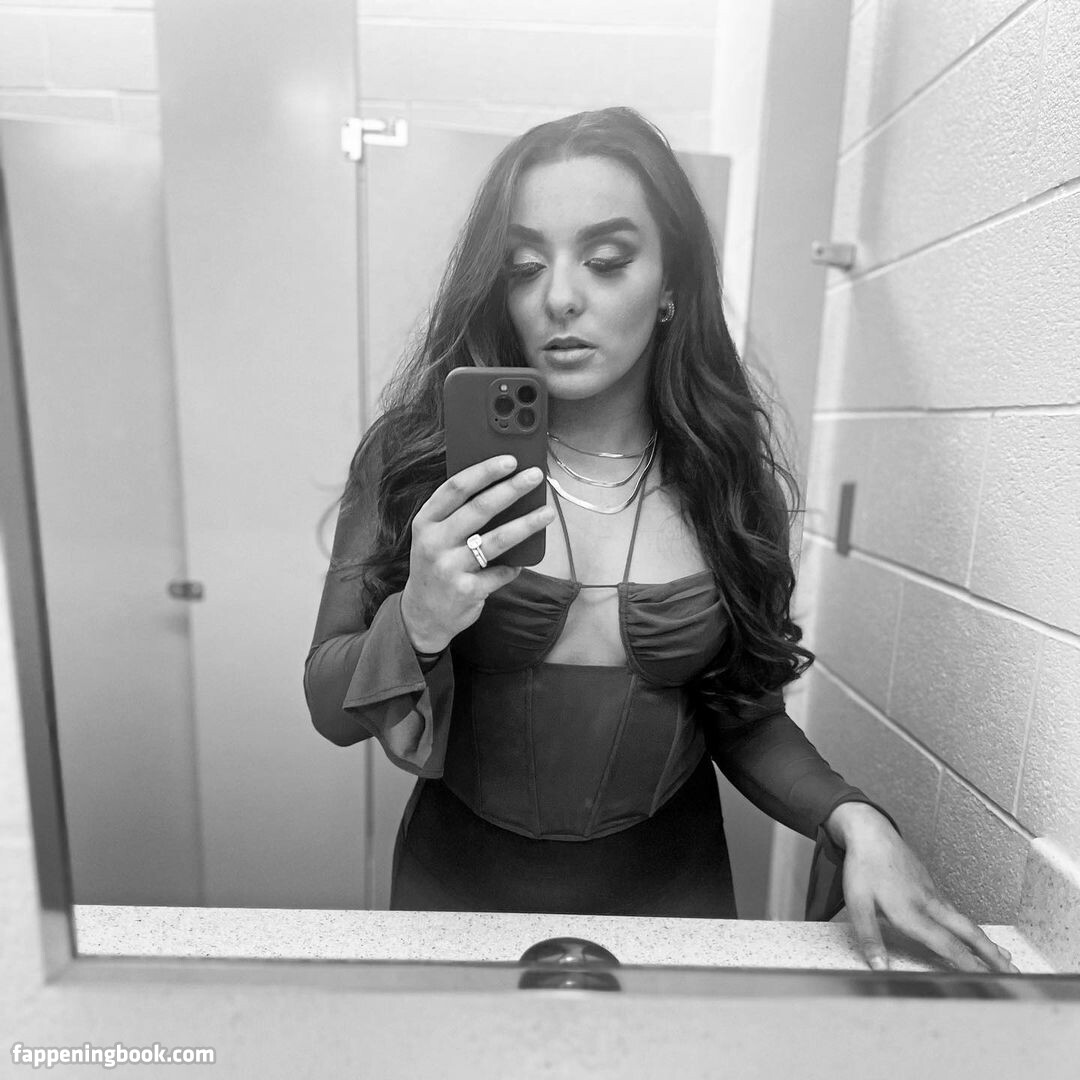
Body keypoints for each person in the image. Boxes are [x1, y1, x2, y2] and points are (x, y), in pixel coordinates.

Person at [305, 106, 1016, 975]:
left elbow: (742, 714)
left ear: (671, 280)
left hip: (673, 900)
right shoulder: (418, 460)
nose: (560, 297)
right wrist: (417, 619)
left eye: (606, 261)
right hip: (456, 897)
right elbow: (327, 701)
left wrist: (852, 816)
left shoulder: (724, 476)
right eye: (524, 266)